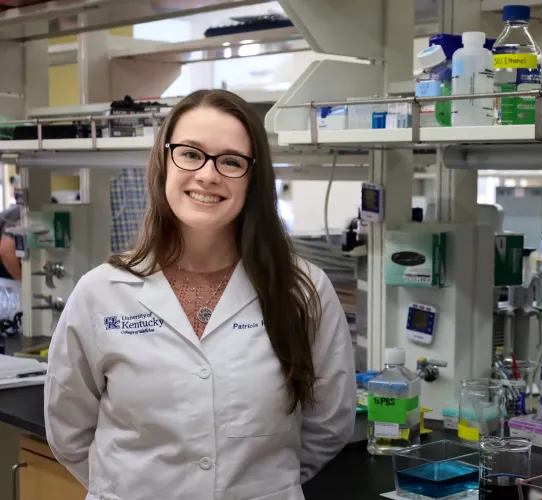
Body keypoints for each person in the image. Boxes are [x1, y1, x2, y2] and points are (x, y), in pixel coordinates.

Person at [44, 89, 356, 499]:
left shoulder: (303, 290)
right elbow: (68, 430)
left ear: (253, 179)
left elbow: (328, 425)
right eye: (190, 154)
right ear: (164, 163)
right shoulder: (101, 292)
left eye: (230, 161)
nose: (208, 175)